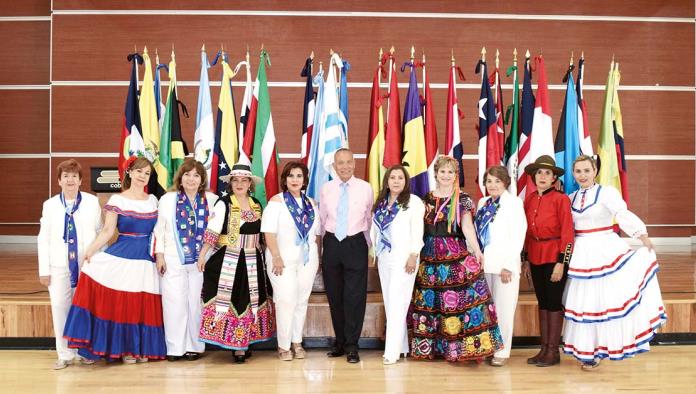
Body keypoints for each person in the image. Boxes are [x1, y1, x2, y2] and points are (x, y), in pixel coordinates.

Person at [562, 155, 666, 370]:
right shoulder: (570, 198)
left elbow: (621, 213)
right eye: (578, 171)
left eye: (586, 170)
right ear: (573, 174)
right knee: (586, 304)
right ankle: (588, 351)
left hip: (604, 249)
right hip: (581, 252)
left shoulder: (606, 193)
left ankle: (604, 348)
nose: (582, 175)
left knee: (604, 303)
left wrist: (641, 234)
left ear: (594, 171)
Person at [63, 156, 166, 363]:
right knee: (126, 303)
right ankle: (126, 349)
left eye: (147, 173)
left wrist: (161, 255)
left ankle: (140, 349)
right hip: (123, 256)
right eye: (139, 171)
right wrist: (90, 252)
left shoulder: (154, 200)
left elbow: (159, 231)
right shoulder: (117, 200)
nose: (143, 176)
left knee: (141, 304)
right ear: (129, 172)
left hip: (147, 258)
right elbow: (108, 231)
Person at [409, 156, 503, 362]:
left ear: (455, 175)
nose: (446, 175)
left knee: (456, 301)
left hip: (454, 253)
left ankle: (459, 349)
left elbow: (468, 227)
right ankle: (435, 348)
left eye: (450, 172)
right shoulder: (426, 198)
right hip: (429, 255)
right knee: (432, 302)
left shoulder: (463, 198)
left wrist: (477, 250)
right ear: (436, 173)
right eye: (442, 171)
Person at [197, 163, 274, 363]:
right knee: (229, 299)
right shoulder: (224, 203)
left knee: (249, 299)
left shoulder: (257, 204)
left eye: (244, 180)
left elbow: (263, 234)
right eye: (236, 180)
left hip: (253, 260)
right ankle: (234, 345)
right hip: (228, 260)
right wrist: (203, 255)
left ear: (250, 183)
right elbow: (213, 230)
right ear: (230, 183)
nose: (240, 183)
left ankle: (244, 343)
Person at [37, 159, 102, 370]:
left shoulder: (92, 202)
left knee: (84, 309)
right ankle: (64, 354)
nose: (70, 180)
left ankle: (83, 351)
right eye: (66, 176)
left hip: (87, 266)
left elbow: (100, 233)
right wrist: (44, 270)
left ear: (81, 180)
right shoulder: (50, 205)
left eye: (74, 176)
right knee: (60, 308)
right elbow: (43, 239)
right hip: (58, 267)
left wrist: (98, 263)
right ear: (59, 181)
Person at [154, 158, 218, 361]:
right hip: (173, 259)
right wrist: (160, 255)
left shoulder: (212, 199)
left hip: (202, 262)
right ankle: (175, 347)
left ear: (202, 179)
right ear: (180, 178)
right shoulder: (167, 199)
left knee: (195, 304)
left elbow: (215, 231)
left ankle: (194, 346)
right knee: (173, 302)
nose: (191, 179)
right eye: (187, 174)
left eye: (196, 175)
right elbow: (160, 230)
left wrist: (207, 256)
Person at [261, 161, 321, 361]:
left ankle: (297, 341)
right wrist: (276, 256)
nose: (295, 180)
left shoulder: (311, 203)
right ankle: (283, 345)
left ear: (304, 180)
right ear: (284, 180)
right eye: (291, 176)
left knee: (301, 300)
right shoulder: (275, 202)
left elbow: (316, 234)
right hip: (281, 259)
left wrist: (317, 257)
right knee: (286, 300)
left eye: (299, 176)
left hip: (307, 259)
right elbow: (268, 233)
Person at [320, 148, 374, 363]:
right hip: (332, 243)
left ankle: (352, 345)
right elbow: (323, 220)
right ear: (334, 165)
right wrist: (322, 250)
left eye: (348, 162)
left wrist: (370, 249)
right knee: (335, 295)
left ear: (354, 163)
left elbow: (369, 219)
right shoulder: (326, 188)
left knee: (354, 297)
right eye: (340, 163)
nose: (344, 166)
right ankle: (340, 342)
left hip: (355, 243)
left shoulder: (365, 188)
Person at [522, 155, 575, 367]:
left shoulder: (561, 199)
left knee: (553, 303)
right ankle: (543, 349)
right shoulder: (531, 199)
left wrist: (562, 262)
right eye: (539, 173)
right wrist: (525, 259)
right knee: (542, 302)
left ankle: (553, 352)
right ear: (534, 177)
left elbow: (568, 233)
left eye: (547, 173)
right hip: (535, 254)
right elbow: (526, 232)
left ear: (554, 178)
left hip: (555, 256)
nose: (542, 176)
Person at [370, 165, 424, 365]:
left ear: (406, 181)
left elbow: (418, 231)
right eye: (392, 177)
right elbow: (374, 231)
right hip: (385, 258)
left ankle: (391, 352)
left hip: (405, 258)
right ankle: (402, 347)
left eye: (400, 178)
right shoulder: (382, 203)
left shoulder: (413, 202)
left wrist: (413, 254)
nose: (396, 181)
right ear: (387, 181)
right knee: (392, 302)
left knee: (398, 302)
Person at [475, 166, 527, 367]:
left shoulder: (514, 203)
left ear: (505, 182)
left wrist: (507, 265)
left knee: (504, 310)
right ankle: (489, 346)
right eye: (489, 181)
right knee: (488, 311)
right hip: (485, 265)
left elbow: (518, 236)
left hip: (505, 266)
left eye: (497, 181)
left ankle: (502, 351)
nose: (493, 185)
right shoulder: (483, 202)